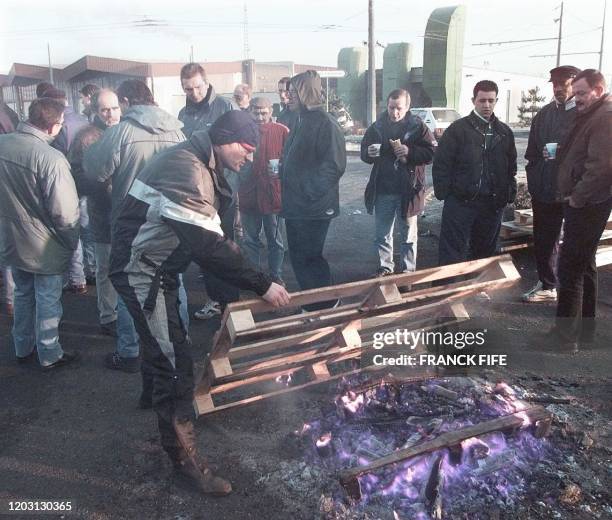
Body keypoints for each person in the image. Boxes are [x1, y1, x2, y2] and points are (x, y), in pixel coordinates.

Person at [109, 110, 290, 495]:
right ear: (224, 140)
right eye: (246, 147)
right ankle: (187, 465)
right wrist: (262, 284)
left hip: (157, 266)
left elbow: (215, 233)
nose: (250, 155)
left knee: (161, 343)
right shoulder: (187, 170)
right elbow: (209, 248)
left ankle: (151, 393)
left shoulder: (201, 161)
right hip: (142, 270)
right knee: (174, 366)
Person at [84, 79, 185, 374]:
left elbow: (94, 170)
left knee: (130, 285)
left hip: (132, 222)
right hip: (171, 220)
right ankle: (181, 342)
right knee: (171, 282)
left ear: (127, 102)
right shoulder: (176, 130)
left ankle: (129, 351)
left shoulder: (120, 133)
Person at [0, 97, 80, 369]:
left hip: (11, 237)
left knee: (22, 294)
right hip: (45, 243)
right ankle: (49, 352)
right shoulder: (51, 159)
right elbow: (65, 212)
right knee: (47, 298)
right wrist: (71, 242)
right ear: (52, 126)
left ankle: (22, 346)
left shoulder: (3, 144)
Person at [552, 69, 612, 351]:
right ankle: (585, 333)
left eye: (582, 93)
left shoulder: (605, 116)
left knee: (570, 269)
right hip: (586, 202)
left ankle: (564, 338)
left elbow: (600, 167)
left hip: (588, 204)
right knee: (585, 265)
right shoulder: (592, 113)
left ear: (599, 90)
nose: (577, 98)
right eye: (575, 93)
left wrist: (577, 197)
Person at [280, 70, 346, 310]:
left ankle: (326, 305)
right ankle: (313, 302)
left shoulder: (324, 123)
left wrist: (307, 191)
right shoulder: (300, 119)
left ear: (306, 92)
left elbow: (334, 165)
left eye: (294, 91)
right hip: (298, 206)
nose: (289, 96)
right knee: (299, 257)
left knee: (310, 257)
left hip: (313, 206)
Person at [433, 80, 517, 266]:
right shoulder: (457, 130)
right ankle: (447, 291)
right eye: (482, 100)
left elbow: (511, 167)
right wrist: (446, 193)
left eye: (490, 100)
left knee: (484, 253)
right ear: (474, 101)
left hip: (492, 204)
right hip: (461, 202)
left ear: (496, 101)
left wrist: (508, 193)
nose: (486, 105)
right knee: (451, 253)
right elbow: (441, 164)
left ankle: (479, 291)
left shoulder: (504, 132)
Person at [69, 89, 126, 339]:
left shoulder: (127, 131)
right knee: (105, 269)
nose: (110, 114)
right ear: (95, 111)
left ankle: (128, 313)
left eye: (114, 108)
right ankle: (109, 316)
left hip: (129, 214)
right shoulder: (86, 137)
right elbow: (77, 177)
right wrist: (106, 182)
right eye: (104, 109)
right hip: (103, 214)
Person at [361, 89, 435, 276]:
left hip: (408, 191)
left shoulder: (418, 126)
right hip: (383, 189)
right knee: (382, 235)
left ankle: (408, 273)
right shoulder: (377, 126)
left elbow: (432, 153)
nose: (394, 113)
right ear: (387, 105)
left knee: (408, 235)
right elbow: (364, 151)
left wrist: (409, 152)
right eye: (391, 107)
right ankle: (385, 268)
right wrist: (368, 153)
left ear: (407, 107)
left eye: (399, 108)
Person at [523, 65, 580, 303]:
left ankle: (573, 289)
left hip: (574, 192)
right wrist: (536, 179)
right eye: (555, 85)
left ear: (575, 85)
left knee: (577, 243)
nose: (558, 89)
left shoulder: (584, 113)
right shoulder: (544, 115)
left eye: (563, 84)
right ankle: (547, 284)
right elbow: (532, 154)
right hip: (545, 189)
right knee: (544, 239)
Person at [42, 87, 93, 292]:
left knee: (70, 230)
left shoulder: (58, 127)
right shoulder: (83, 120)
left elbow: (57, 155)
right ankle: (90, 271)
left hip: (66, 182)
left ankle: (75, 276)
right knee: (88, 229)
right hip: (86, 180)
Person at [239, 97, 289, 284]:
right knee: (250, 240)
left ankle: (276, 275)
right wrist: (246, 164)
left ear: (271, 111)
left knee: (275, 240)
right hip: (249, 194)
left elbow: (291, 158)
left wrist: (281, 168)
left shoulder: (282, 131)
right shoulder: (241, 132)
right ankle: (255, 279)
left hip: (272, 194)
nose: (260, 116)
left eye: (264, 112)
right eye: (256, 112)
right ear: (249, 111)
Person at [178, 62, 233, 137]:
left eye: (198, 87)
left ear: (207, 84)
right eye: (189, 89)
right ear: (183, 89)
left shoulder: (226, 107)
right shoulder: (182, 115)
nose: (195, 93)